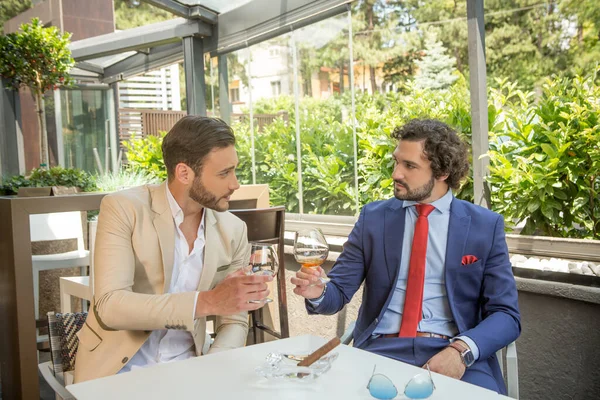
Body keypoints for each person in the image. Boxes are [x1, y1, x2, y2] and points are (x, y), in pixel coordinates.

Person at [292, 119, 520, 395]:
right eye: (396, 162)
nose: (396, 174)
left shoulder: (484, 225)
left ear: (443, 171)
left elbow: (506, 314)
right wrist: (317, 291)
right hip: (379, 352)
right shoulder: (373, 219)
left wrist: (461, 352)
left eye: (409, 166)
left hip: (454, 353)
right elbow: (337, 292)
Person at [74, 116, 272, 383]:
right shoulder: (123, 208)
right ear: (184, 173)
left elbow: (234, 321)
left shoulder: (234, 230)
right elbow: (110, 306)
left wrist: (212, 370)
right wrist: (207, 301)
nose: (235, 184)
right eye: (224, 173)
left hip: (189, 371)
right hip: (118, 373)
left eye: (234, 170)